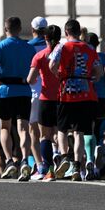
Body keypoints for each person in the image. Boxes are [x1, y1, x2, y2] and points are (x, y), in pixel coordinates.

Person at [49, 19, 99, 181]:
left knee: (62, 129)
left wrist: (59, 75)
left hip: (66, 91)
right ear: (79, 32)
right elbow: (98, 71)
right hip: (85, 92)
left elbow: (51, 64)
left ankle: (64, 158)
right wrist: (91, 79)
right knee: (79, 132)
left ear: (66, 32)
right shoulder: (89, 48)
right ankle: (77, 167)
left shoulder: (62, 46)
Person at [0, 16, 36, 180]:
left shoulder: (0, 46)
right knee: (23, 128)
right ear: (19, 29)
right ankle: (25, 160)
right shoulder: (28, 47)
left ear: (6, 29)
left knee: (5, 128)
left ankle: (10, 161)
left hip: (5, 90)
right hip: (24, 90)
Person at [26, 24, 63, 180]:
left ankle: (47, 169)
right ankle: (62, 159)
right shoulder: (65, 54)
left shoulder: (40, 56)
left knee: (44, 136)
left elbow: (30, 79)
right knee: (60, 133)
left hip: (46, 98)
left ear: (45, 38)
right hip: (62, 98)